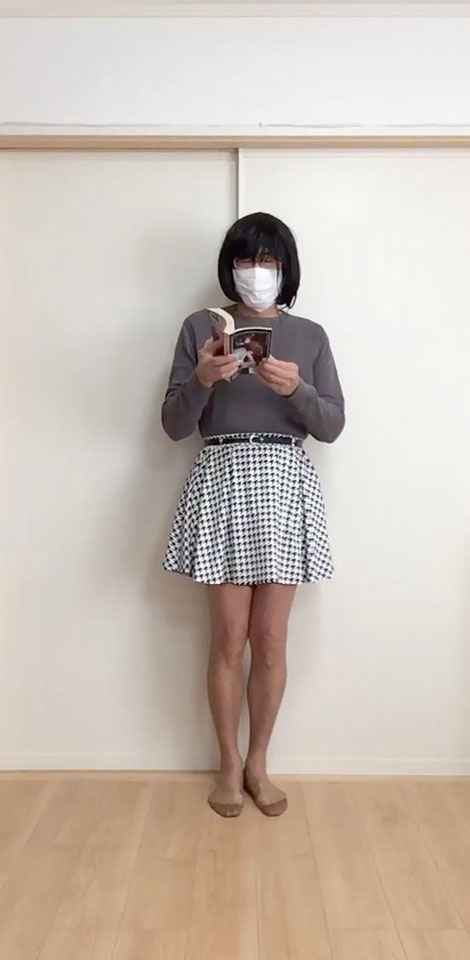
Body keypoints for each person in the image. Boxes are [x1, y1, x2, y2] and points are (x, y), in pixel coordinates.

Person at [161, 212, 345, 818]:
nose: (257, 271)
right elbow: (173, 426)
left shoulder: (310, 336)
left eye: (269, 260)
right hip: (221, 479)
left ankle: (259, 763)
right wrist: (201, 380)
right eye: (246, 259)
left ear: (286, 269)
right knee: (228, 637)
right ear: (230, 267)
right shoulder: (201, 327)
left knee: (269, 638)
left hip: (284, 482)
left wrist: (295, 390)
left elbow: (332, 425)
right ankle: (228, 763)